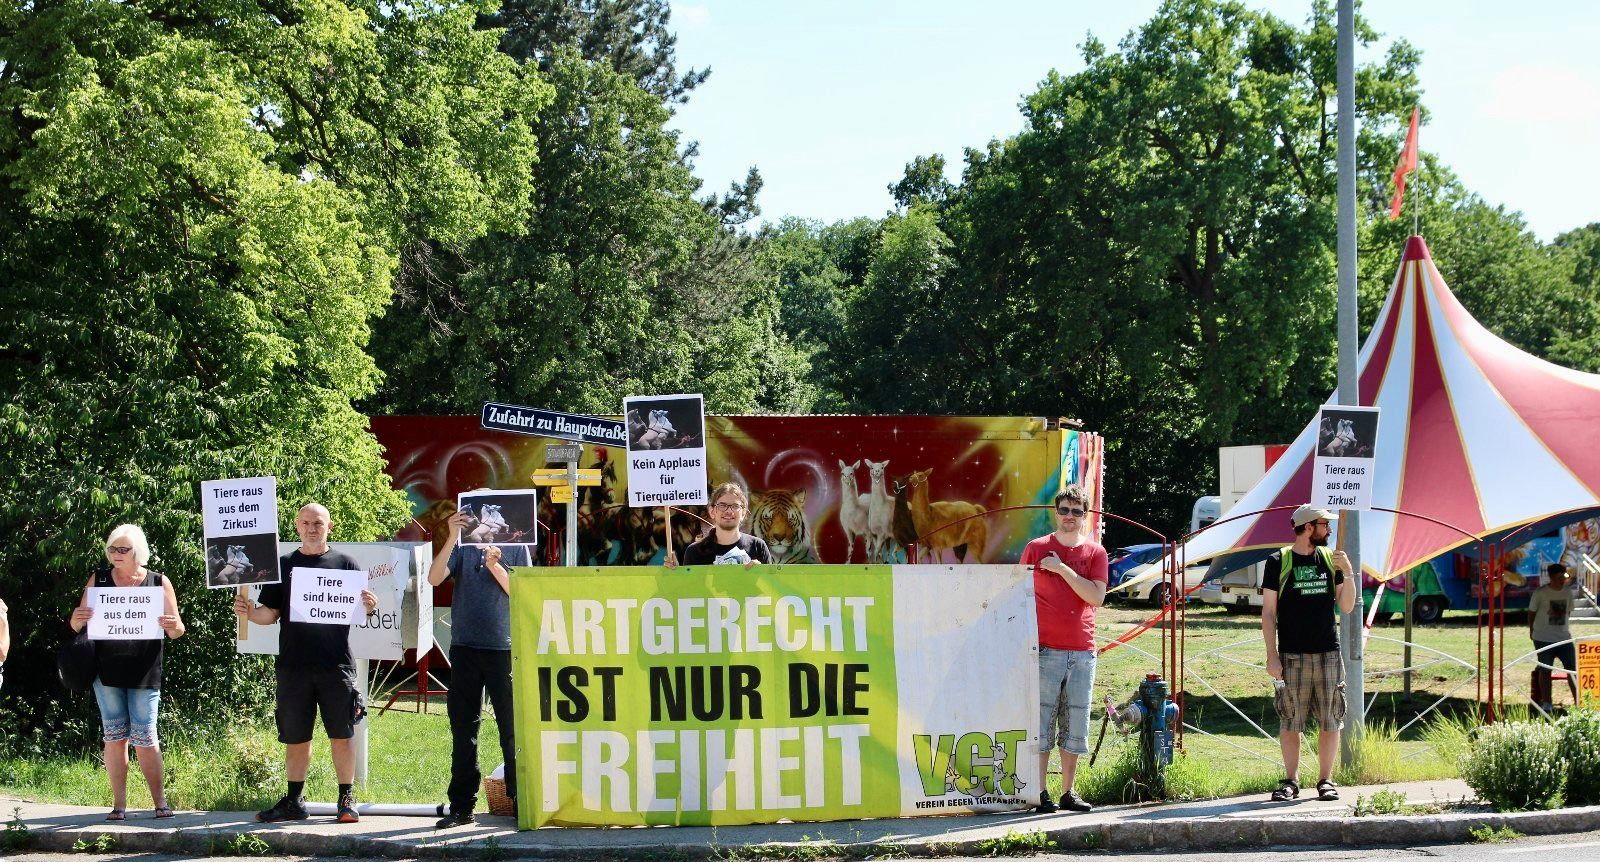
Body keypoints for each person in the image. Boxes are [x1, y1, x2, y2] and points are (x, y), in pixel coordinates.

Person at [235, 503, 377, 824]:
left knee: (342, 733)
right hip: (294, 667)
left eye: (318, 523)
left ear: (330, 526)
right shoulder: (283, 565)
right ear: (297, 526)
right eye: (306, 523)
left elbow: (362, 611)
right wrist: (248, 612)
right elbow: (269, 614)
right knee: (296, 736)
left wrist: (369, 606)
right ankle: (294, 801)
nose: (312, 528)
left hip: (336, 666)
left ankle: (346, 798)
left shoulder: (346, 563)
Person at [68, 524, 185, 820]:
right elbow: (77, 626)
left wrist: (172, 625)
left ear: (138, 552)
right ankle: (119, 805)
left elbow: (178, 631)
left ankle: (160, 803)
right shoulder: (99, 579)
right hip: (105, 673)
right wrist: (76, 617)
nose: (116, 555)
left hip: (144, 672)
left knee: (145, 737)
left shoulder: (158, 582)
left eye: (123, 549)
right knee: (114, 737)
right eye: (112, 549)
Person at [429, 506, 530, 827]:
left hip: (504, 649)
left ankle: (519, 802)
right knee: (463, 730)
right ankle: (462, 806)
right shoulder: (462, 545)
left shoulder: (518, 544)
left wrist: (495, 565)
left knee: (511, 731)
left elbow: (520, 592)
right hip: (464, 648)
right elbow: (434, 578)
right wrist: (451, 536)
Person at [1020, 485, 1107, 814]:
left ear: (1085, 516)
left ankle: (1068, 792)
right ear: (1056, 513)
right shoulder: (1036, 548)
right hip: (1044, 650)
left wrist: (1063, 569)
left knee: (1076, 722)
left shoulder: (1095, 553)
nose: (1070, 517)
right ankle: (1041, 792)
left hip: (1083, 651)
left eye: (1077, 512)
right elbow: (1019, 592)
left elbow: (1096, 597)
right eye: (1065, 510)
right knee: (1042, 722)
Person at [1262, 505, 1355, 802]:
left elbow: (1347, 606)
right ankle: (1290, 781)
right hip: (1291, 655)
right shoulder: (1279, 560)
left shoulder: (1331, 560)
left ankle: (1326, 781)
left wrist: (1349, 573)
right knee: (1291, 720)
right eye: (1324, 525)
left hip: (1328, 652)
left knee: (1331, 719)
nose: (1329, 530)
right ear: (1308, 527)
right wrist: (1272, 655)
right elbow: (1268, 613)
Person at [664, 483, 771, 568]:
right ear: (712, 511)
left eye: (735, 506)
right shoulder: (694, 551)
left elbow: (773, 591)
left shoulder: (758, 547)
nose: (729, 511)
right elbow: (688, 591)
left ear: (743, 513)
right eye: (722, 505)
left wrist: (762, 575)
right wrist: (676, 576)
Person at [1529, 563, 1579, 711]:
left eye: (1564, 577)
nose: (1562, 580)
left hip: (1564, 638)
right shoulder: (1540, 593)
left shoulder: (1568, 592)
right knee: (1545, 671)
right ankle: (1547, 703)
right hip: (1543, 638)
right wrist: (1531, 630)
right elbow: (1531, 613)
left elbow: (1568, 613)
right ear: (1551, 577)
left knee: (1572, 669)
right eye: (1559, 577)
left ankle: (1579, 702)